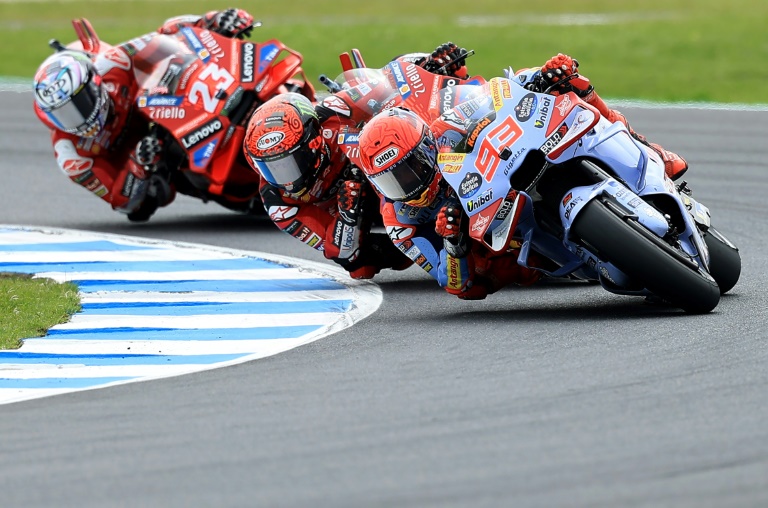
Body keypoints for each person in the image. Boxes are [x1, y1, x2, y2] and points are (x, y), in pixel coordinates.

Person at [355, 53, 689, 299]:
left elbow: (494, 95)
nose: (409, 182)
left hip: (504, 172)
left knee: (569, 86)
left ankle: (650, 149)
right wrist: (453, 243)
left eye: (413, 166)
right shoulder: (400, 221)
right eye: (393, 180)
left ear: (428, 146)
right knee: (478, 281)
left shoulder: (443, 130)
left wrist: (541, 78)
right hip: (506, 249)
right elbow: (454, 283)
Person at [241, 43, 470, 279]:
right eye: (271, 169)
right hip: (358, 215)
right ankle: (429, 246)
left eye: (290, 163)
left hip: (386, 170)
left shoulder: (331, 111)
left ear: (312, 142)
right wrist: (348, 215)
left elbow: (385, 83)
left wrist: (426, 67)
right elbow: (337, 250)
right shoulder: (278, 203)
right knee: (359, 267)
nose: (286, 179)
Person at [32, 8, 257, 222]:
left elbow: (166, 34)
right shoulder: (72, 156)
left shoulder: (113, 63)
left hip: (171, 108)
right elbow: (122, 203)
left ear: (94, 82)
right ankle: (244, 188)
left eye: (79, 103)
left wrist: (212, 21)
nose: (78, 118)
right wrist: (138, 164)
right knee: (151, 197)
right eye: (63, 114)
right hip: (152, 158)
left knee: (191, 58)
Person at [517, 53, 688, 180]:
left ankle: (649, 151)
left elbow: (524, 78)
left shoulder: (499, 87)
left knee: (562, 82)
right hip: (514, 168)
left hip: (557, 141)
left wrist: (552, 73)